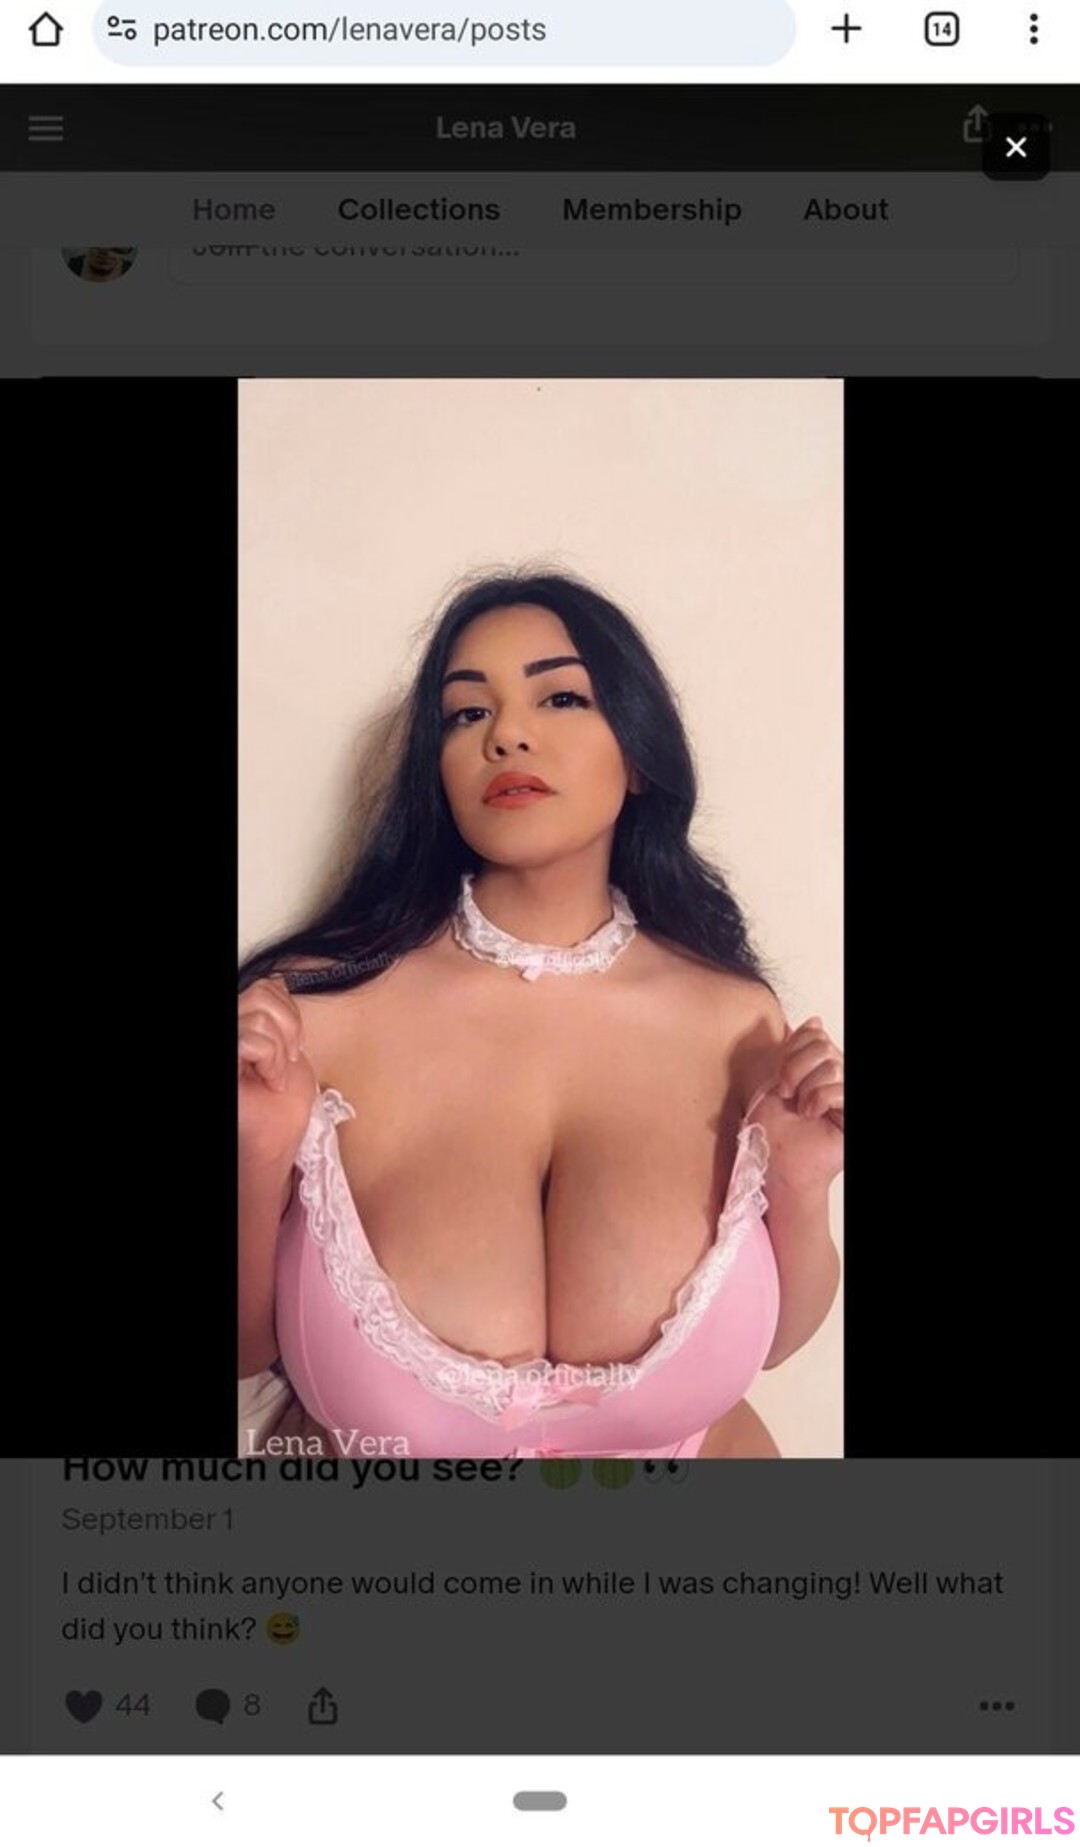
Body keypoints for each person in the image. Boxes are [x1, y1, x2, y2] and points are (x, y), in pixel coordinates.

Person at [238, 571, 843, 1460]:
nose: (508, 734)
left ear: (638, 753)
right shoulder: (315, 1014)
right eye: (467, 713)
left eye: (560, 696)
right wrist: (256, 1150)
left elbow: (773, 1343)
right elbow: (245, 1350)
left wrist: (803, 1182)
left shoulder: (735, 1019)